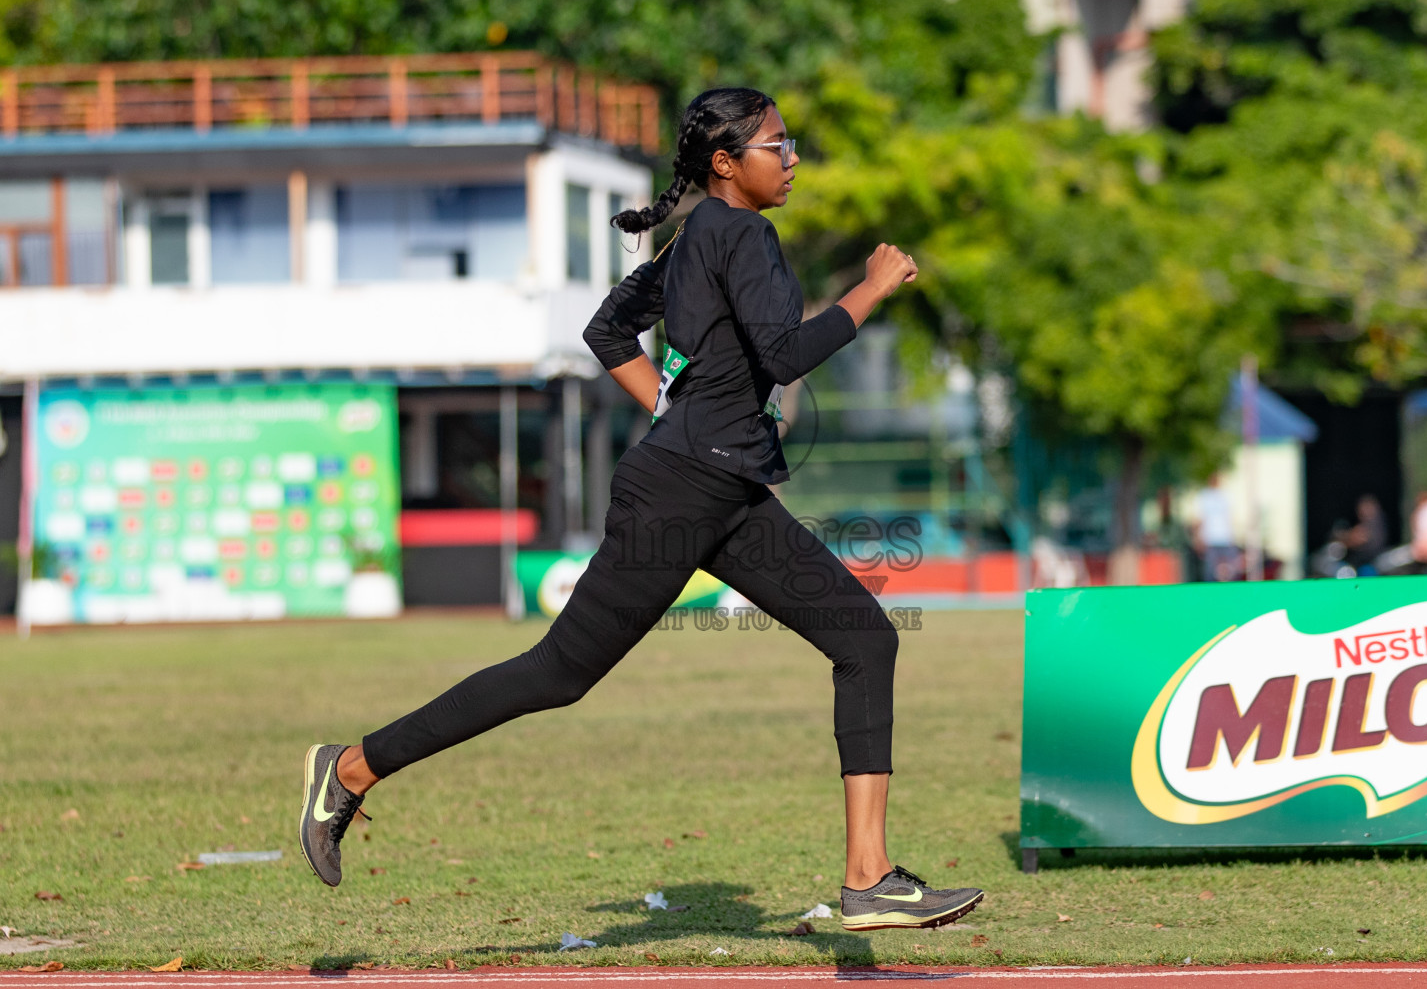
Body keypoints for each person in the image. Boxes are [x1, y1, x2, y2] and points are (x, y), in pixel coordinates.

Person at [296, 88, 983, 934]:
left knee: (864, 636)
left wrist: (671, 408)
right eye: (778, 144)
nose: (793, 156)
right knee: (558, 672)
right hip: (684, 487)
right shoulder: (742, 234)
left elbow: (609, 329)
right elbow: (785, 352)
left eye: (790, 142)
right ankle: (353, 768)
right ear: (727, 164)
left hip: (720, 486)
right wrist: (871, 287)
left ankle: (869, 878)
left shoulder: (700, 235)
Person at [1191, 474, 1241, 582]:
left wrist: (1233, 536)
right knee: (1210, 573)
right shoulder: (1204, 496)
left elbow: (1230, 517)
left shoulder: (1225, 495)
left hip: (1225, 538)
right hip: (1210, 539)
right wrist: (1198, 538)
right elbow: (1199, 519)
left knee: (1231, 571)